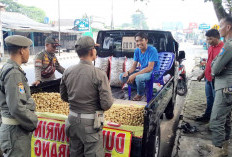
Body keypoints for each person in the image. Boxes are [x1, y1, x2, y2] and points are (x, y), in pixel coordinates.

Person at [60, 36, 113, 156]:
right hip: (90, 125)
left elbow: (63, 96)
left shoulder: (68, 71)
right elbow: (106, 104)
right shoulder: (99, 74)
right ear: (91, 51)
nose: (96, 51)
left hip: (72, 121)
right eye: (95, 48)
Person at [0, 35, 38, 157]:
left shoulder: (9, 68)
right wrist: (33, 121)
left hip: (14, 130)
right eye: (28, 49)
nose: (28, 53)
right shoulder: (14, 73)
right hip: (15, 132)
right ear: (22, 50)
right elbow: (16, 107)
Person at [208, 16, 232, 156]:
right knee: (226, 119)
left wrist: (215, 66)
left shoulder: (228, 46)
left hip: (225, 88)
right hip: (228, 88)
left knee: (216, 122)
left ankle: (218, 151)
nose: (219, 28)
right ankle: (226, 146)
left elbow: (215, 69)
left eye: (220, 25)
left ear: (228, 27)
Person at [119, 32, 160, 101]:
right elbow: (134, 66)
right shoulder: (137, 51)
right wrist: (128, 72)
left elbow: (150, 68)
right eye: (137, 41)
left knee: (138, 78)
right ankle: (144, 88)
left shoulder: (152, 50)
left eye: (141, 40)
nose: (139, 43)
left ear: (146, 40)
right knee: (122, 76)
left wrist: (134, 75)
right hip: (143, 71)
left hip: (153, 72)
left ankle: (140, 94)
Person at [195, 29, 224, 122]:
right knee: (209, 99)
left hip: (217, 80)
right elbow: (209, 62)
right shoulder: (210, 47)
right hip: (208, 78)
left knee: (217, 102)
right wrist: (202, 74)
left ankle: (215, 121)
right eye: (207, 39)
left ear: (217, 37)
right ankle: (207, 116)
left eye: (210, 39)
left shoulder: (224, 49)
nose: (208, 41)